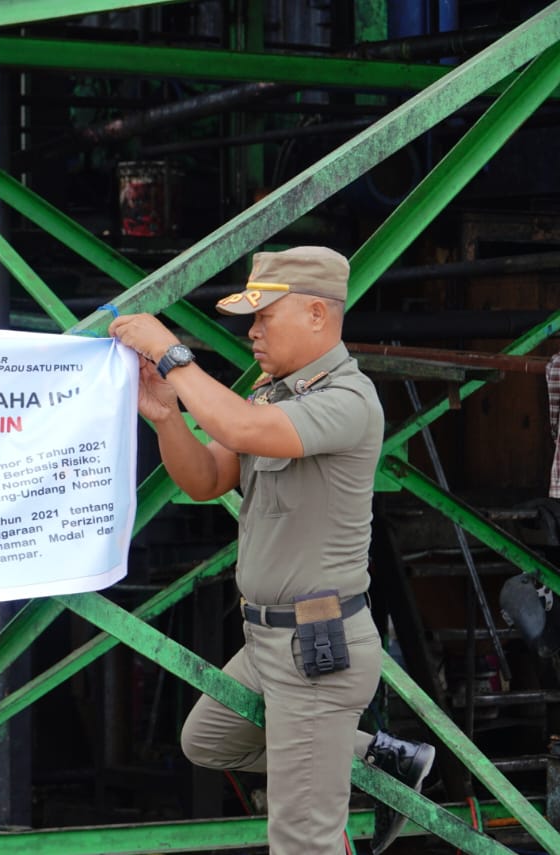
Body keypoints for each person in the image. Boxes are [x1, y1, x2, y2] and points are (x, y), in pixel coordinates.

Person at [109, 246, 433, 854]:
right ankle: (380, 758)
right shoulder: (272, 396)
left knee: (300, 841)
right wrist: (166, 418)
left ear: (316, 314)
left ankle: (343, 758)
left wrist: (171, 354)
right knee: (207, 739)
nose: (252, 332)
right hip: (265, 642)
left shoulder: (348, 398)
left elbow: (238, 428)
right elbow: (207, 479)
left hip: (314, 650)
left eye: (264, 316)